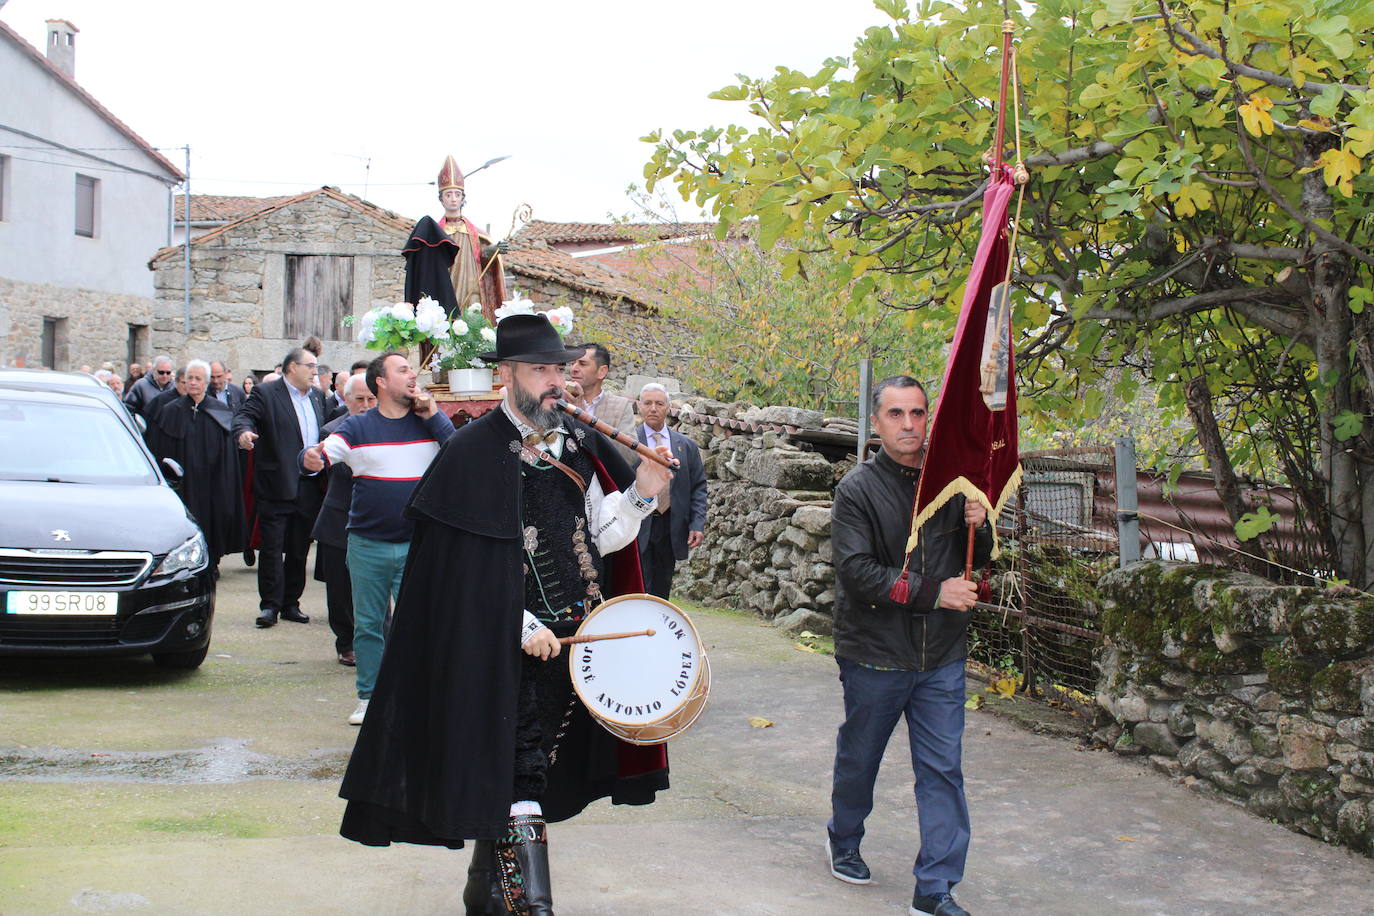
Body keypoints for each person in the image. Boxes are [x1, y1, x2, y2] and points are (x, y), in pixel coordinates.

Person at [339, 314, 673, 915]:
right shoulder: (471, 451)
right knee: (519, 774)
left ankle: (485, 891)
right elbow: (459, 570)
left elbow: (598, 536)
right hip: (497, 647)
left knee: (534, 770)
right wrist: (519, 624)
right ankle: (530, 905)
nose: (555, 382)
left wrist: (643, 494)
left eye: (559, 369)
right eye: (541, 370)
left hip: (573, 646)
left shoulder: (577, 442)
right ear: (506, 375)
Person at [825, 375, 991, 916]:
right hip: (875, 652)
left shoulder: (953, 486)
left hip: (941, 655)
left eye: (918, 414)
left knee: (943, 769)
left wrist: (980, 524)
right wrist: (934, 593)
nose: (909, 425)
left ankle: (935, 887)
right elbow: (857, 573)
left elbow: (977, 562)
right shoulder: (856, 490)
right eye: (896, 414)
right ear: (876, 423)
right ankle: (845, 836)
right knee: (861, 757)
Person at [302, 353, 455, 726]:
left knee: (418, 624)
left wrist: (433, 411)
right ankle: (369, 697)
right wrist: (309, 457)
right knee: (369, 625)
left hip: (418, 544)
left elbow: (458, 453)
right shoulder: (357, 428)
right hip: (367, 543)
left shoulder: (429, 424)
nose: (413, 375)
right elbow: (322, 454)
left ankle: (415, 695)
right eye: (403, 370)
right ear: (381, 382)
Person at [232, 348, 329, 628]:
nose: (315, 371)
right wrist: (243, 434)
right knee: (273, 548)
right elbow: (244, 417)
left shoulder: (317, 397)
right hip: (276, 483)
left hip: (310, 483)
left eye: (316, 366)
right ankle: (270, 605)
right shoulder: (266, 393)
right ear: (290, 368)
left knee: (300, 549)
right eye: (309, 366)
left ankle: (291, 603)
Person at [145, 360, 245, 566]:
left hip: (211, 480)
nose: (192, 382)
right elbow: (160, 448)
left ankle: (212, 560)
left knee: (212, 518)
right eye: (189, 378)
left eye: (198, 379)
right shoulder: (170, 410)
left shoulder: (220, 411)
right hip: (184, 481)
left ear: (206, 383)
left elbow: (227, 454)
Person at [307, 374, 376, 668]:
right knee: (340, 590)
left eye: (370, 399)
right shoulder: (333, 431)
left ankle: (377, 641)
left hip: (377, 522)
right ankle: (345, 642)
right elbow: (317, 461)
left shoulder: (390, 429)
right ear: (345, 400)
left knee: (375, 591)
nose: (365, 405)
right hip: (339, 520)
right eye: (358, 399)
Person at [402, 155, 507, 319]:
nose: (453, 198)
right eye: (448, 194)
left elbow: (482, 261)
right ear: (441, 199)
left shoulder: (477, 234)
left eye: (457, 194)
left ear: (463, 198)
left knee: (472, 324)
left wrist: (493, 250)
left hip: (471, 288)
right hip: (447, 287)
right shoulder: (435, 235)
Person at [634, 383, 708, 599]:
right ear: (639, 407)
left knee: (662, 587)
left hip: (671, 525)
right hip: (637, 524)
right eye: (647, 403)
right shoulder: (628, 441)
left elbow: (698, 487)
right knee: (638, 586)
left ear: (668, 408)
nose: (653, 408)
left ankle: (657, 631)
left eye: (659, 403)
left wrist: (696, 524)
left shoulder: (686, 446)